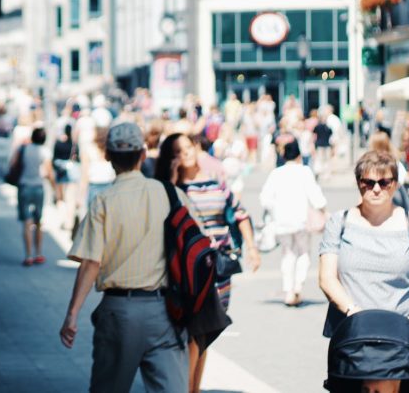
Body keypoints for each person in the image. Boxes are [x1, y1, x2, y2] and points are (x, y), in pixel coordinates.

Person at [59, 122, 189, 392]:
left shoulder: (104, 201)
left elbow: (91, 262)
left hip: (120, 313)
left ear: (107, 156)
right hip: (167, 313)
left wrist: (72, 314)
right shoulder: (170, 194)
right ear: (143, 154)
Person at [154, 132, 261, 393]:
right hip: (187, 271)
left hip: (218, 268)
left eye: (187, 148)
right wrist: (172, 179)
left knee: (205, 333)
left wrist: (252, 248)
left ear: (197, 147)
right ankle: (188, 388)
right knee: (193, 333)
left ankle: (194, 388)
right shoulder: (169, 189)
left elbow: (240, 213)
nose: (185, 154)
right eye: (177, 152)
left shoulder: (216, 183)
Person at [319, 150, 409, 393]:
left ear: (395, 185)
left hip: (404, 336)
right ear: (358, 183)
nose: (376, 189)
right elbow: (327, 278)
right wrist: (354, 312)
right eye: (368, 182)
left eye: (384, 182)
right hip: (354, 335)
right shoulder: (339, 222)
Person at [259, 138, 327, 306]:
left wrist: (274, 209)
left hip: (281, 220)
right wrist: (323, 210)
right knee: (303, 252)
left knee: (287, 254)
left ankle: (288, 290)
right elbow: (315, 195)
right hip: (301, 220)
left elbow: (265, 199)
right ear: (298, 155)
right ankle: (298, 286)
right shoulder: (305, 172)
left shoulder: (276, 173)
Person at [17, 127, 52, 266]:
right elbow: (49, 172)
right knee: (38, 221)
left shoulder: (24, 149)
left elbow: (14, 163)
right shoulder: (45, 151)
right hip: (38, 187)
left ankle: (28, 255)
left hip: (24, 185)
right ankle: (38, 253)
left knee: (26, 222)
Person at [51, 124, 77, 229]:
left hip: (60, 172)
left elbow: (54, 158)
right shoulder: (74, 145)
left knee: (60, 198)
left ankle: (63, 220)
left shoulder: (58, 144)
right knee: (69, 198)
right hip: (70, 172)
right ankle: (68, 222)